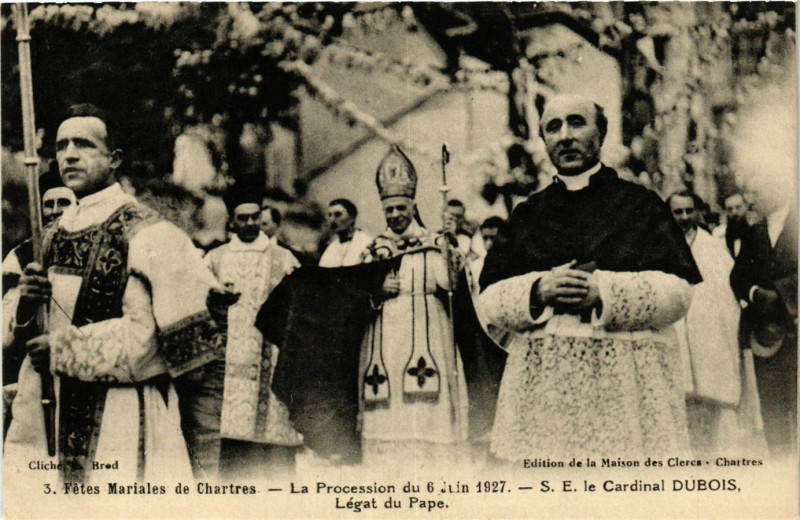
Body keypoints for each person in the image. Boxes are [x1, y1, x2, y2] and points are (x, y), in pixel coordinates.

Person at [3, 104, 231, 488]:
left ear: (114, 159)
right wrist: (26, 304)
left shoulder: (147, 235)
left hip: (119, 416)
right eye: (61, 146)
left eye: (84, 145)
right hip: (46, 416)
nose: (69, 155)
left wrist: (62, 349)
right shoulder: (47, 240)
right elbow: (10, 335)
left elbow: (148, 341)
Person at [478, 94, 701, 461]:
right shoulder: (527, 214)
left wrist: (604, 292)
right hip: (546, 394)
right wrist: (537, 290)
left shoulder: (641, 204)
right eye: (553, 127)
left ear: (601, 132)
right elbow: (489, 299)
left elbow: (679, 292)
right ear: (545, 141)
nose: (565, 136)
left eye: (576, 123)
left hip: (626, 390)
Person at [358, 146, 468, 472]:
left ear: (413, 206)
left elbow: (449, 285)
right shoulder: (373, 250)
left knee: (426, 411)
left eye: (400, 208)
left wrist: (450, 246)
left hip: (429, 334)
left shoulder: (433, 243)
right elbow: (355, 298)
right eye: (389, 209)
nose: (394, 215)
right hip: (385, 340)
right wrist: (376, 290)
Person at [201, 186, 303, 479]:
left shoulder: (283, 259)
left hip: (269, 371)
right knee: (230, 454)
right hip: (225, 370)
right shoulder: (214, 260)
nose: (249, 224)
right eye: (242, 219)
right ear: (231, 221)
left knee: (273, 460)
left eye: (254, 218)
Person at [668, 191, 748, 456]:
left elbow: (727, 293)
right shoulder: (661, 245)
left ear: (697, 212)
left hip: (707, 330)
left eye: (689, 211)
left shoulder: (712, 247)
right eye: (678, 212)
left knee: (713, 399)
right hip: (677, 331)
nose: (684, 217)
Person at [730, 171, 797, 459]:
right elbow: (738, 277)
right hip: (767, 337)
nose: (756, 198)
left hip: (794, 328)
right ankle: (781, 468)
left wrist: (782, 295)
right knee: (772, 406)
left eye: (763, 190)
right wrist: (755, 293)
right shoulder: (755, 231)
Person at [318, 199, 373, 268]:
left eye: (338, 214)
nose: (332, 220)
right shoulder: (331, 248)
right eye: (330, 215)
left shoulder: (366, 243)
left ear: (352, 217)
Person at [722, 192, 751, 258]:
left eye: (738, 207)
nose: (734, 212)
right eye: (729, 209)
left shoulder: (757, 233)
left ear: (746, 207)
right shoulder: (722, 238)